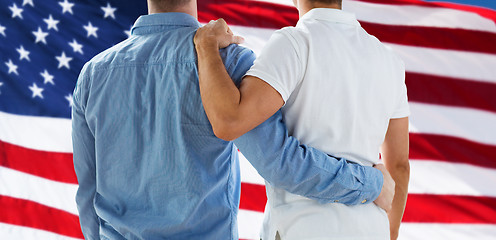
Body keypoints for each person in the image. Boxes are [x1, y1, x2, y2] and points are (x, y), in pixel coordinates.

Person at [71, 0, 394, 239]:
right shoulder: (228, 62)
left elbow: (88, 192)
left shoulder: (93, 75)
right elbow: (280, 162)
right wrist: (371, 183)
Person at [194, 0, 410, 239]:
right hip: (371, 229)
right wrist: (389, 231)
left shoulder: (295, 43)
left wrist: (206, 47)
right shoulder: (390, 62)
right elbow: (399, 165)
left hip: (301, 228)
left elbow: (230, 121)